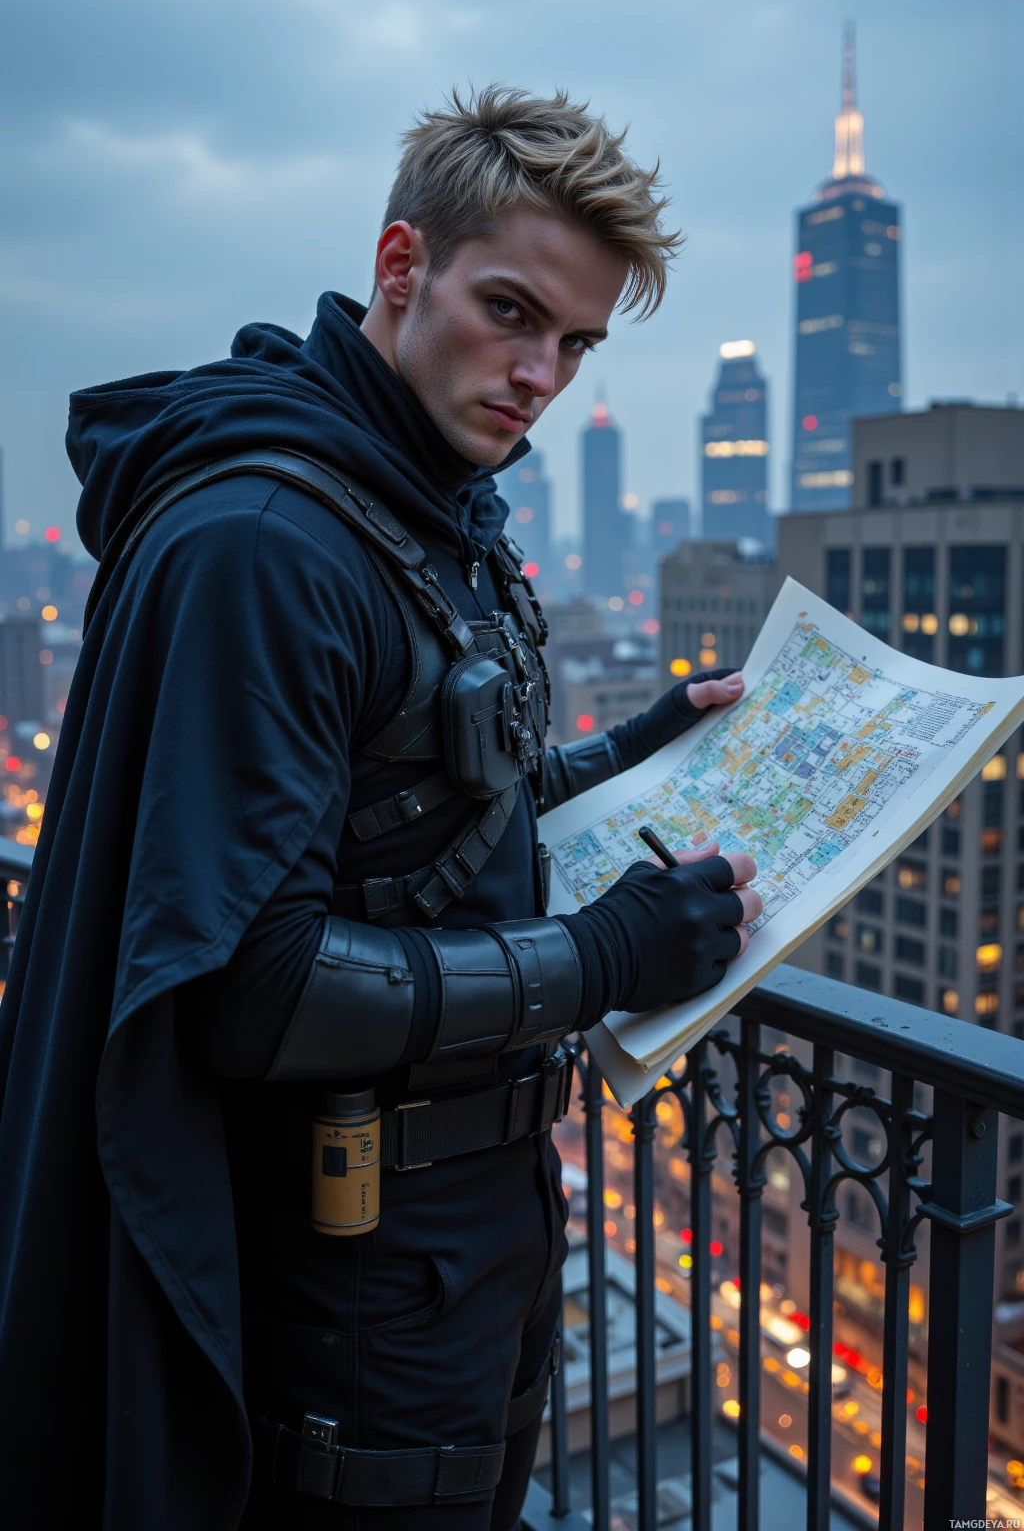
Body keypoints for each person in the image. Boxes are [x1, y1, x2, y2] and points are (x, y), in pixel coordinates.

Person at [0, 86, 761, 1530]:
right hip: (346, 1292)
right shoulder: (271, 541)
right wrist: (608, 958)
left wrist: (637, 748)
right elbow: (247, 978)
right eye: (512, 312)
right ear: (400, 266)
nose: (541, 372)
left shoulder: (417, 501)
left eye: (576, 344)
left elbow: (419, 827)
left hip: (459, 1255)